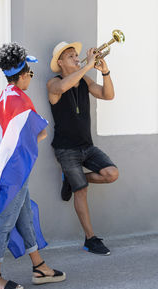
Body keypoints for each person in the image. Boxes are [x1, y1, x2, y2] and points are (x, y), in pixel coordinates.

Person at [0, 43, 65, 289]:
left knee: (24, 218)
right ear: (22, 75)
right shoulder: (20, 99)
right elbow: (40, 131)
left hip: (7, 165)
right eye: (30, 74)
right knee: (4, 223)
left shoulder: (4, 96)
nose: (30, 79)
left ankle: (39, 267)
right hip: (16, 169)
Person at [47, 41, 119, 256]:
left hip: (87, 146)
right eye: (71, 56)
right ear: (60, 62)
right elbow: (61, 88)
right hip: (66, 149)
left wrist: (105, 72)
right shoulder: (53, 83)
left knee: (111, 173)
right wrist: (88, 66)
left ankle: (73, 178)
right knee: (81, 191)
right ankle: (90, 239)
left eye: (77, 55)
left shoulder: (85, 81)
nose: (77, 58)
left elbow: (108, 95)